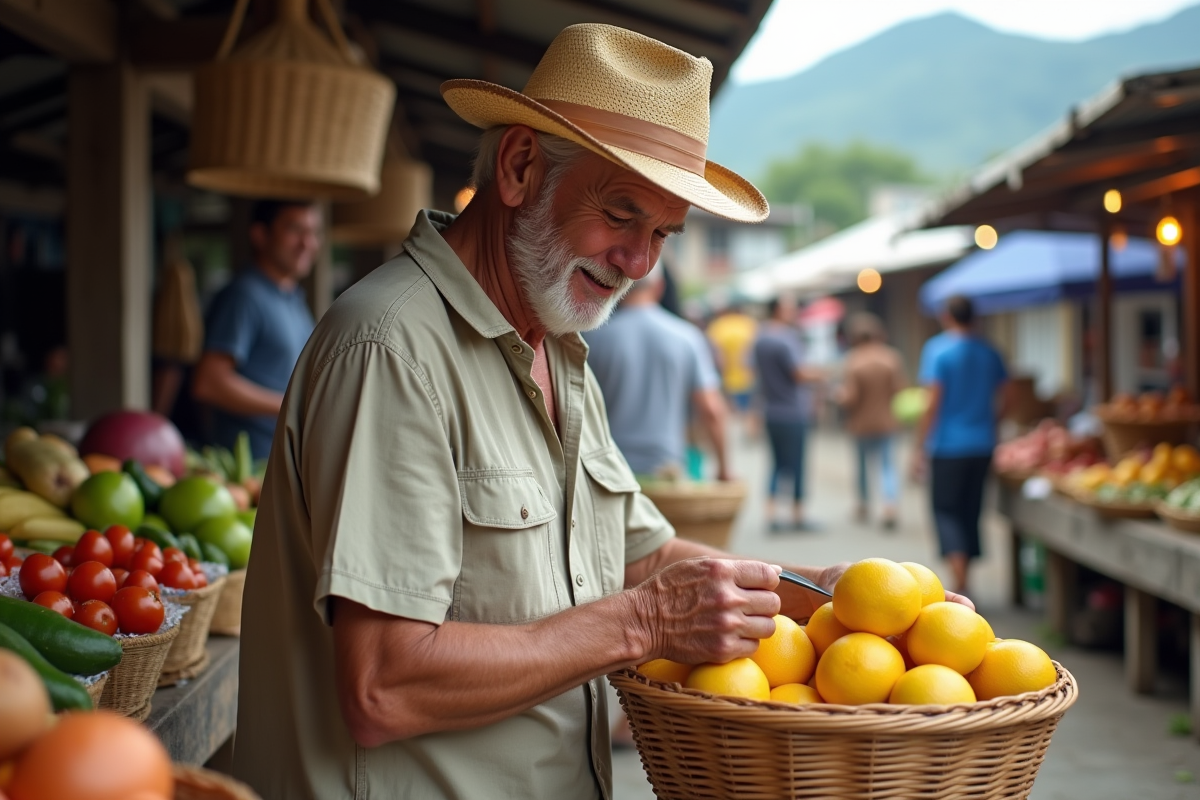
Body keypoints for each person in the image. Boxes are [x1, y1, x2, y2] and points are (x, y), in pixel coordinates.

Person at [229, 26, 969, 800]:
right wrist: (641, 626)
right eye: (621, 215)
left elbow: (637, 556)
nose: (640, 261)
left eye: (661, 234)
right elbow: (382, 685)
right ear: (519, 167)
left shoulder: (555, 347)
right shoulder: (392, 350)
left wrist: (821, 589)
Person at [191, 200, 320, 458]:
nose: (307, 243)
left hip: (288, 459)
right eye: (295, 230)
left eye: (314, 232)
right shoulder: (244, 296)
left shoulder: (294, 299)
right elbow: (209, 382)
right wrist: (292, 405)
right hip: (247, 464)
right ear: (260, 235)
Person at [583, 264, 731, 481]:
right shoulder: (687, 337)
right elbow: (711, 410)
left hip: (607, 472)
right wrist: (724, 468)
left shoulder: (591, 338)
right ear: (659, 287)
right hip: (666, 471)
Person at [912, 295, 1009, 595]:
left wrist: (919, 446)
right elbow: (1010, 393)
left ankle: (960, 580)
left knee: (945, 510)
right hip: (982, 444)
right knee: (972, 509)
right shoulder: (990, 351)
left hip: (947, 446)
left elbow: (932, 402)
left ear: (947, 316)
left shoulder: (938, 350)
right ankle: (965, 577)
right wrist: (992, 421)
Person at [753, 295, 823, 531]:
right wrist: (823, 374)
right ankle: (797, 515)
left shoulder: (760, 338)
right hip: (793, 411)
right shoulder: (786, 338)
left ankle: (771, 514)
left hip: (771, 410)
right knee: (797, 464)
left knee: (776, 463)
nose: (793, 312)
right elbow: (799, 373)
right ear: (778, 310)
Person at [838, 313, 906, 528]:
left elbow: (851, 396)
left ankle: (864, 504)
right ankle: (889, 505)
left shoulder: (853, 360)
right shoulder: (891, 358)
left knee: (862, 466)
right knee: (887, 465)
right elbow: (899, 388)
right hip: (886, 421)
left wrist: (839, 396)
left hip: (861, 424)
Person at [707, 305, 758, 415]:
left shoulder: (718, 325)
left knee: (733, 412)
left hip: (727, 378)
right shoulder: (749, 323)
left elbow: (717, 356)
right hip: (749, 376)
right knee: (749, 411)